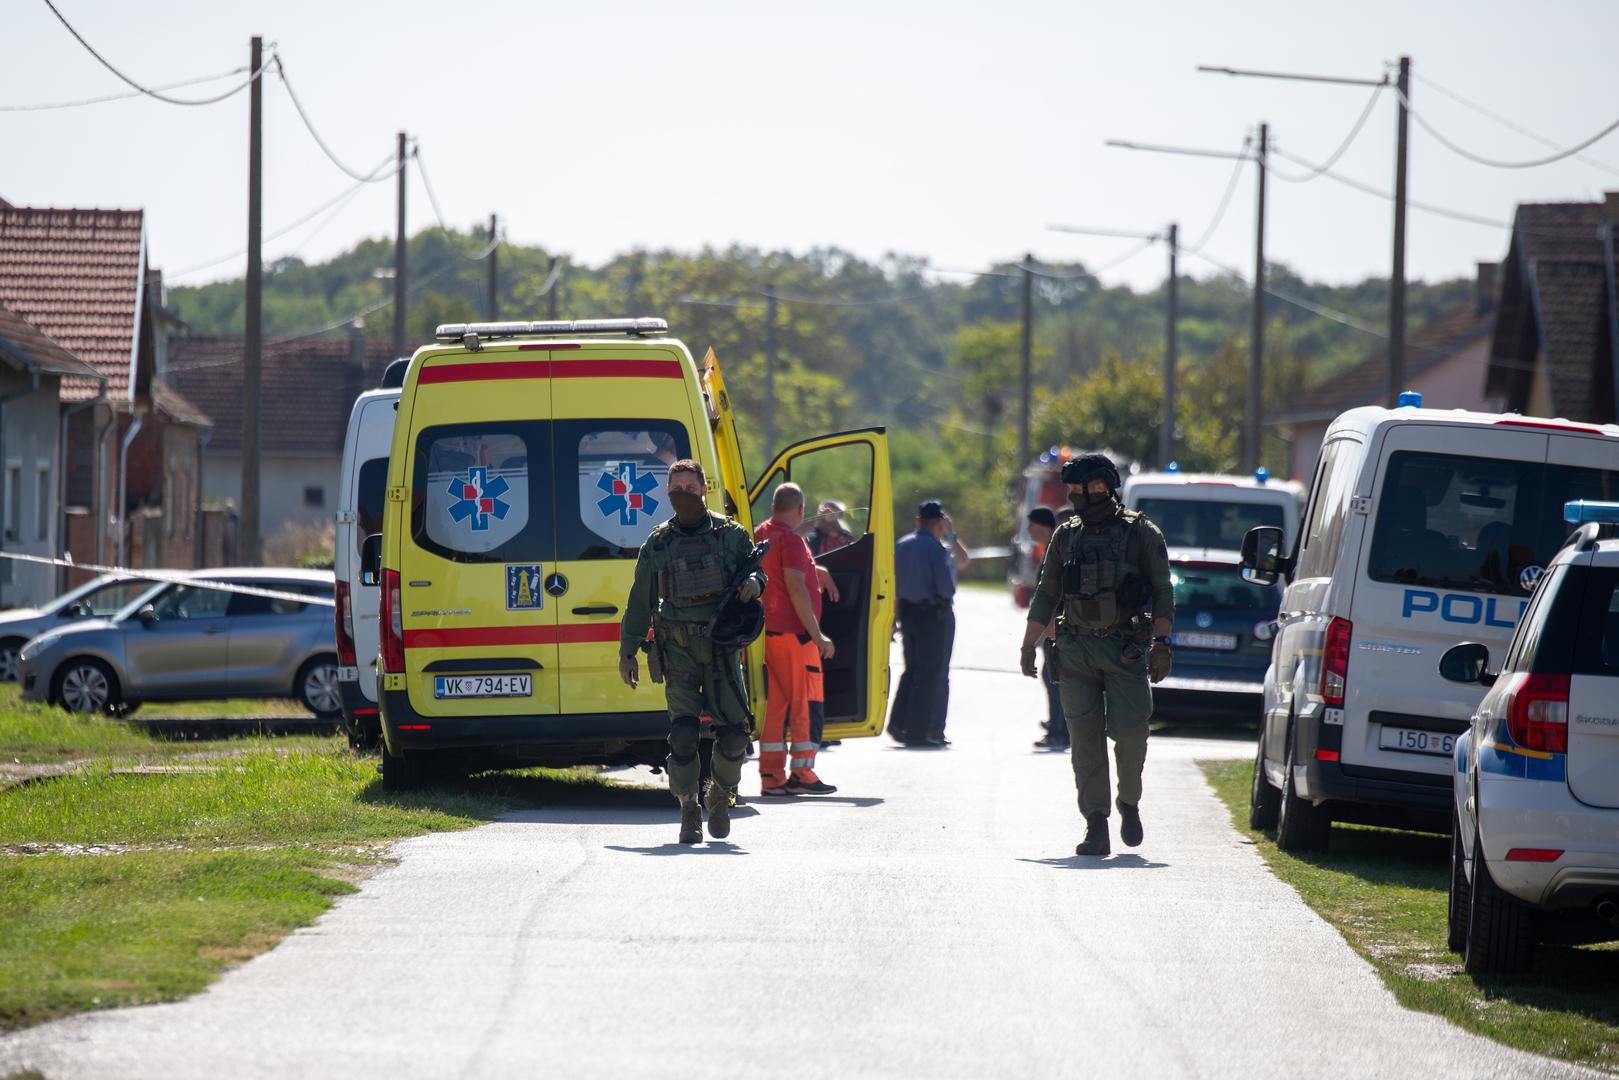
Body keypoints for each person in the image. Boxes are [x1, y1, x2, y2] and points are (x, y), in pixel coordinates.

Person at [1019, 454, 1174, 856]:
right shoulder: (1066, 536)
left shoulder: (1141, 534)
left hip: (1124, 649)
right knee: (1084, 742)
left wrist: (1162, 643)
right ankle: (1096, 823)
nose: (1072, 499)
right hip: (1075, 650)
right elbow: (1046, 592)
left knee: (1130, 735)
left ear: (1101, 488)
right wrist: (1027, 643)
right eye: (1070, 492)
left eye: (1078, 491)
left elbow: (1163, 592)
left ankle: (1129, 802)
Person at [620, 459, 766, 845]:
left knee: (735, 735)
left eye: (689, 486)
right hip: (678, 650)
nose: (682, 493)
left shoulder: (730, 535)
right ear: (668, 493)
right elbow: (640, 600)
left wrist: (754, 583)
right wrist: (627, 650)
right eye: (676, 488)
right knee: (683, 735)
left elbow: (756, 570)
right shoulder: (659, 543)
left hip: (721, 651)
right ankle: (688, 808)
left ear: (704, 489)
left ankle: (719, 792)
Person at [754, 481, 838, 797]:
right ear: (800, 509)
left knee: (776, 706)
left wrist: (817, 569)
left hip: (769, 636)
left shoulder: (763, 532)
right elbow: (794, 587)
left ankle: (772, 777)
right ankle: (802, 772)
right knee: (804, 702)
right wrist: (818, 636)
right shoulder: (790, 539)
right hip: (794, 636)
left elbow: (776, 572)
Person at [888, 500, 970, 748]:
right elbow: (945, 587)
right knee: (930, 673)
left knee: (912, 669)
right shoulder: (935, 548)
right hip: (933, 614)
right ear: (938, 523)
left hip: (908, 613)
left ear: (917, 521)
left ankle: (898, 723)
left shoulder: (902, 545)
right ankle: (918, 732)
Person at [1024, 507, 1068, 752]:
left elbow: (1055, 593)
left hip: (1058, 626)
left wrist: (1050, 622)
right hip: (1054, 624)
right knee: (1052, 676)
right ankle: (1057, 726)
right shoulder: (1053, 549)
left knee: (1055, 677)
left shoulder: (1059, 551)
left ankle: (1059, 731)